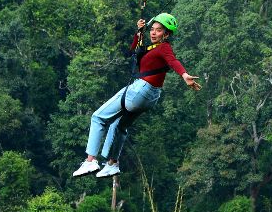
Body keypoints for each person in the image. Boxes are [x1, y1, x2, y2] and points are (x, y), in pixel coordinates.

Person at [72, 13, 201, 178]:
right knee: (119, 126)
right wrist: (139, 32)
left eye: (159, 31)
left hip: (140, 90)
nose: (153, 33)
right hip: (150, 97)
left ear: (166, 35)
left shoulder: (164, 48)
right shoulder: (152, 48)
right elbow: (134, 50)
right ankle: (112, 163)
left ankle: (90, 160)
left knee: (98, 117)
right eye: (152, 30)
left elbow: (173, 61)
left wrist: (184, 75)